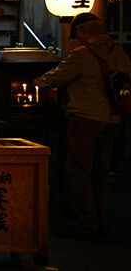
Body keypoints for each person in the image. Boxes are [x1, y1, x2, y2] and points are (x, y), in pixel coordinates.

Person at [36, 12, 131, 240]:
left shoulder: (82, 54)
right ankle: (101, 220)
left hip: (85, 120)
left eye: (74, 35)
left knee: (78, 172)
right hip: (112, 120)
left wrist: (36, 82)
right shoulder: (120, 53)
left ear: (81, 31)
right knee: (101, 172)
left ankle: (85, 223)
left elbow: (54, 78)